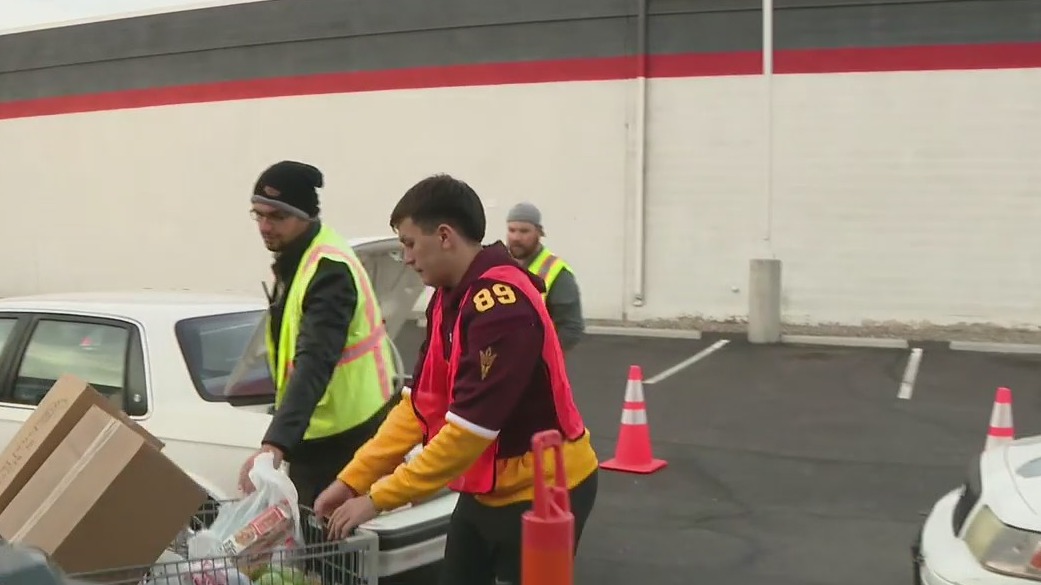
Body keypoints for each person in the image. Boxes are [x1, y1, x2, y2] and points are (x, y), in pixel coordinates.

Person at [313, 174, 599, 585]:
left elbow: (469, 431)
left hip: (546, 489)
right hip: (489, 487)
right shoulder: (450, 297)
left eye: (410, 244)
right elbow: (420, 405)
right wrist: (352, 480)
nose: (407, 258)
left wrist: (377, 500)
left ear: (444, 235)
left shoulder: (500, 304)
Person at [237, 160, 397, 509]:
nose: (264, 226)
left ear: (305, 216)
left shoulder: (329, 270)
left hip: (346, 440)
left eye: (277, 217)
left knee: (332, 551)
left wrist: (275, 445)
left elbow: (314, 362)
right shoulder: (298, 257)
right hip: (319, 432)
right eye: (258, 214)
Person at [505, 202, 585, 352]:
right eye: (512, 230)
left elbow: (571, 328)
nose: (516, 237)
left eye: (524, 231)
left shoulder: (557, 272)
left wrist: (544, 358)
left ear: (539, 233)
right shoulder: (499, 266)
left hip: (538, 367)